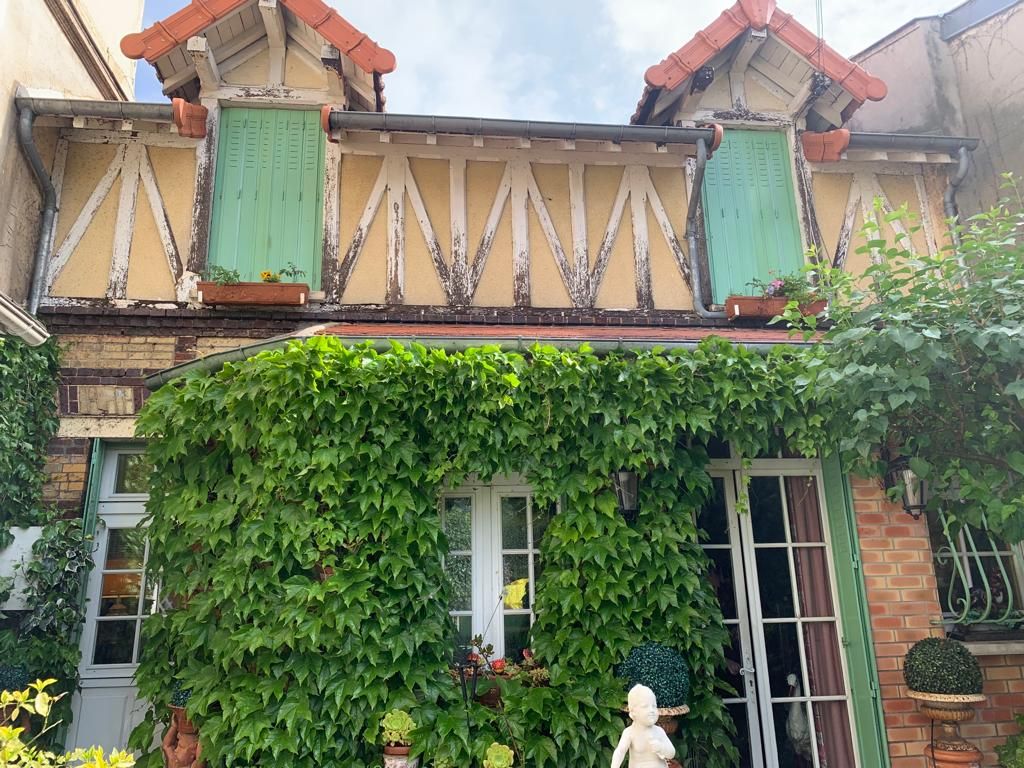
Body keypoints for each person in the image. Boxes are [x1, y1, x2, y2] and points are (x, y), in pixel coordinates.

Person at [610, 684, 675, 768]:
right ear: (633, 712)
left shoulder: (658, 731)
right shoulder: (630, 733)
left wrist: (661, 747)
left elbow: (672, 753)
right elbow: (620, 752)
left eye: (654, 706)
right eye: (645, 706)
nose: (651, 710)